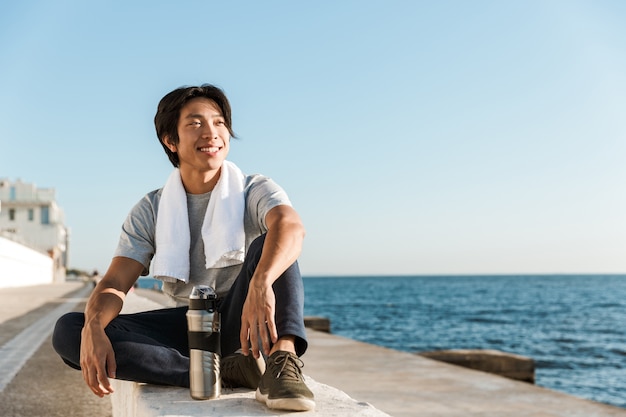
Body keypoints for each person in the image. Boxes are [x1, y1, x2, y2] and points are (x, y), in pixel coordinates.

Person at [52, 84, 315, 412]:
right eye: (195, 123)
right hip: (187, 325)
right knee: (70, 331)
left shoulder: (253, 188)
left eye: (219, 123)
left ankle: (281, 360)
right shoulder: (151, 209)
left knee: (274, 240)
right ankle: (218, 373)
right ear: (170, 140)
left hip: (242, 320)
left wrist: (260, 283)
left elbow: (291, 226)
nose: (211, 133)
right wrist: (93, 327)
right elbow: (115, 284)